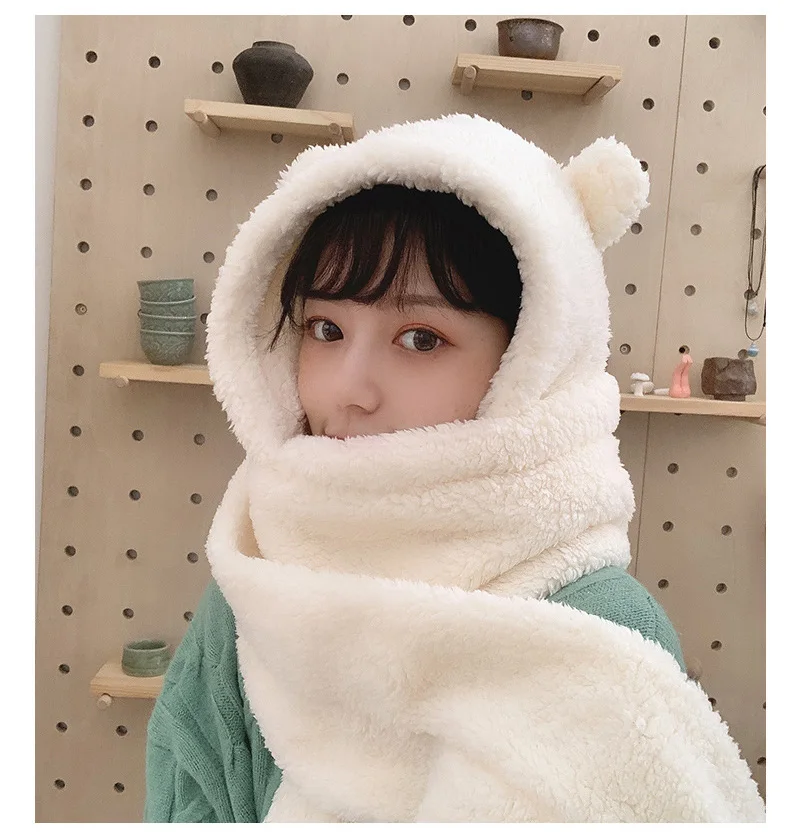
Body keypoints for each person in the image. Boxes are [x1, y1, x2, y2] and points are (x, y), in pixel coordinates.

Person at [145, 114, 763, 822]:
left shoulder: (600, 627)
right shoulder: (260, 571)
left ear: (528, 362)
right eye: (326, 329)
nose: (349, 388)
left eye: (420, 338)